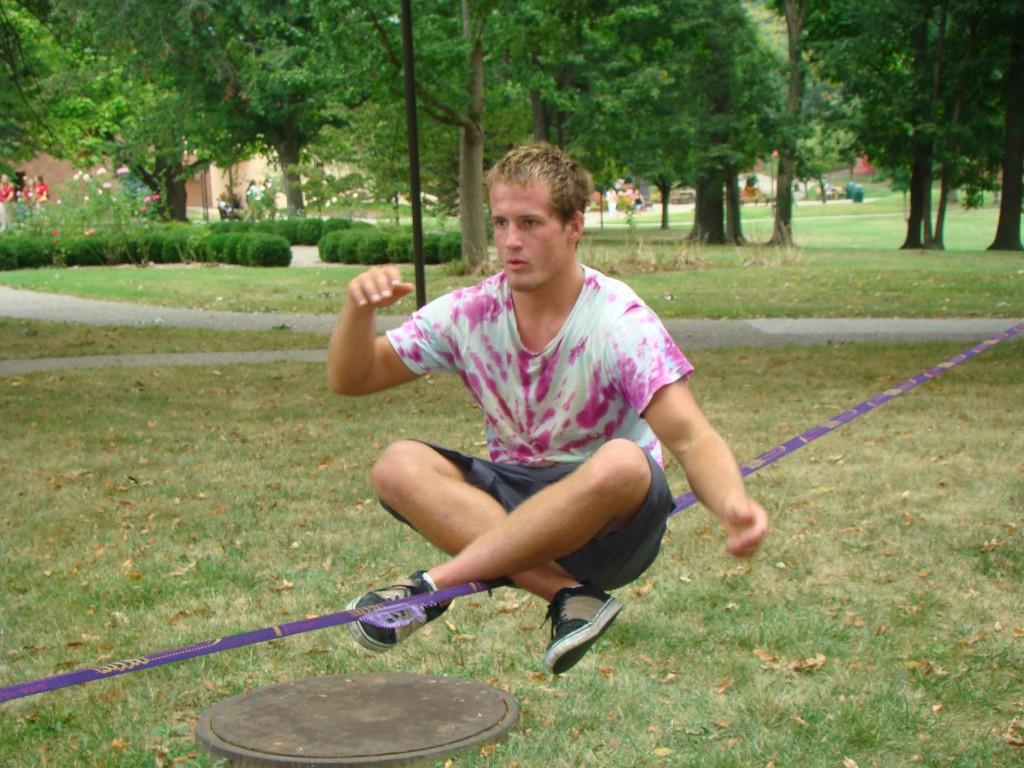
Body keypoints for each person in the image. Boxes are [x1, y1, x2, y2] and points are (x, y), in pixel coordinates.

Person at [327, 143, 769, 675]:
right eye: (501, 222)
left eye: (531, 223)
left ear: (573, 226)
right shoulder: (472, 312)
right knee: (397, 464)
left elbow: (690, 437)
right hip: (512, 502)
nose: (511, 242)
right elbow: (353, 378)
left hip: (610, 526)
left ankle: (433, 587)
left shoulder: (617, 320)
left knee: (624, 461)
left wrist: (732, 505)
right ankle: (570, 597)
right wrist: (357, 312)